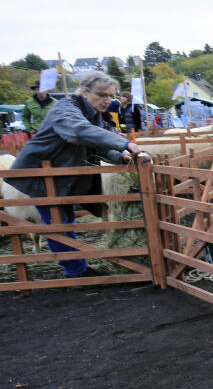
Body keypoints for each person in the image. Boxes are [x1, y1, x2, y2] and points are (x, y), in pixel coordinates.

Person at [6, 72, 148, 278]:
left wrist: (121, 156)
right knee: (57, 222)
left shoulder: (93, 114)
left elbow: (96, 144)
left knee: (65, 220)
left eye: (110, 96)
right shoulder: (65, 109)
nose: (107, 100)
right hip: (40, 175)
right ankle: (74, 270)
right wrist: (125, 143)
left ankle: (76, 266)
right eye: (102, 95)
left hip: (60, 175)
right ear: (84, 91)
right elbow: (80, 131)